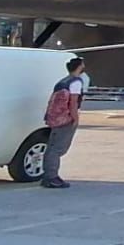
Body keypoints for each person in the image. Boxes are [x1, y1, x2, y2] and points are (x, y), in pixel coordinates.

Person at [41, 57, 86, 189]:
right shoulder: (76, 82)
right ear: (80, 67)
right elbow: (73, 102)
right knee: (58, 148)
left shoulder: (63, 81)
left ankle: (48, 175)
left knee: (52, 147)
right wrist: (75, 118)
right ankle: (52, 176)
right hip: (65, 119)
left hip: (55, 117)